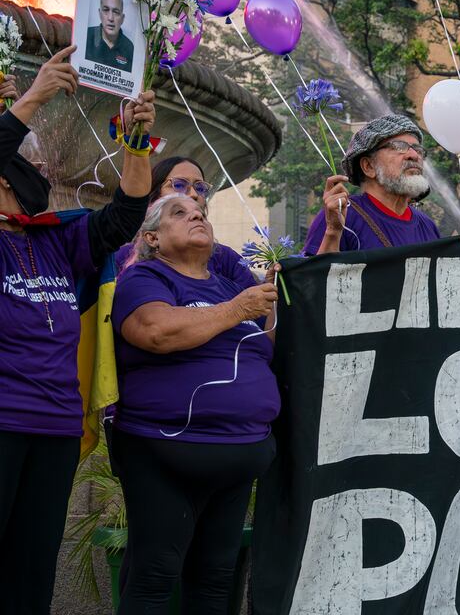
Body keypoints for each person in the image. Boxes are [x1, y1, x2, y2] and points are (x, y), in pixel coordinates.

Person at [0, 45, 154, 613]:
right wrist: (36, 93)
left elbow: (126, 214)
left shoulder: (57, 238)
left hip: (54, 427)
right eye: (23, 171)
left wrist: (135, 141)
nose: (40, 172)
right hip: (2, 419)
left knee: (31, 573)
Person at [111, 195, 278, 613]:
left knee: (215, 580)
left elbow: (266, 348)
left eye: (200, 211)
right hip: (167, 450)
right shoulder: (145, 277)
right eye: (179, 213)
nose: (197, 214)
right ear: (152, 237)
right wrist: (238, 308)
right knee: (154, 575)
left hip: (241, 452)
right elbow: (155, 331)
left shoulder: (227, 285)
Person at [307, 115, 440, 255]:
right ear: (369, 166)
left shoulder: (427, 226)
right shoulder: (339, 216)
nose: (414, 155)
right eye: (399, 147)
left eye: (418, 149)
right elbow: (313, 275)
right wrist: (333, 232)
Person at [116, 156, 256, 288]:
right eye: (179, 185)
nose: (194, 194)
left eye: (200, 187)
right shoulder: (122, 259)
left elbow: (260, 309)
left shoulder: (226, 259)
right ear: (154, 197)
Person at [85, 0, 135, 71]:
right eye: (106, 10)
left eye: (116, 12)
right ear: (99, 14)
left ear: (122, 18)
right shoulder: (86, 36)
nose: (111, 18)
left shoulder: (130, 48)